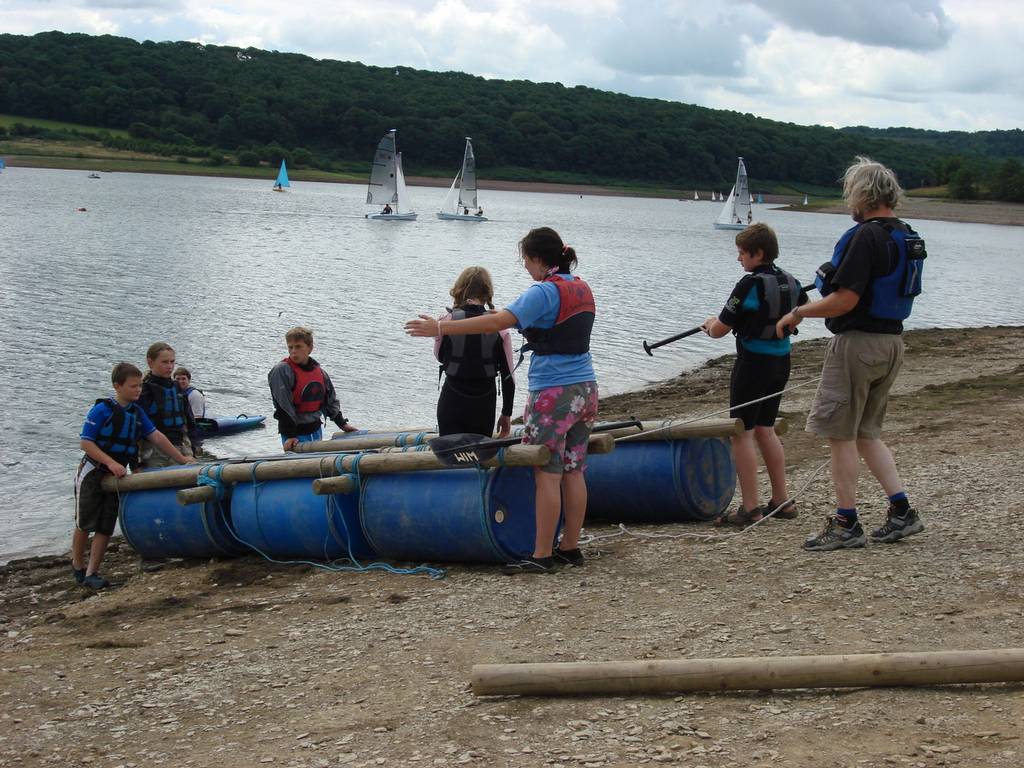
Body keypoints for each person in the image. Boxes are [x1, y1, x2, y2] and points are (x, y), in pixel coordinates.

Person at [407, 227, 598, 574]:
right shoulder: (582, 286)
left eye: (526, 260)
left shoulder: (544, 291)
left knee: (547, 471)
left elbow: (497, 321)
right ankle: (570, 547)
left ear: (539, 259)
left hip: (554, 392)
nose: (525, 267)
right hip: (587, 388)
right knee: (574, 469)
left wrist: (441, 327)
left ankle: (542, 555)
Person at [775, 156, 927, 552]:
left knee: (840, 435)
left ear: (862, 194)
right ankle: (902, 512)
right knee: (865, 433)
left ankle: (846, 523)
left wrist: (798, 312)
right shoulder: (905, 234)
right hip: (892, 343)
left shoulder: (864, 236)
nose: (848, 203)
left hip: (858, 345)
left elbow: (845, 300)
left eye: (850, 194)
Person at [703, 223, 804, 525]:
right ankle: (781, 500)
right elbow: (803, 309)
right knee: (766, 428)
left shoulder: (748, 285)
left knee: (742, 433)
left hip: (753, 365)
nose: (739, 259)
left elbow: (720, 329)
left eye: (742, 254)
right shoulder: (791, 280)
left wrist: (709, 324)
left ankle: (750, 507)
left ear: (757, 254)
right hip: (781, 363)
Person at [74, 362, 190, 589]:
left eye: (139, 386)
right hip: (93, 471)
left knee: (106, 525)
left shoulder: (137, 412)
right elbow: (85, 443)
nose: (138, 390)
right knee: (85, 522)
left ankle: (92, 572)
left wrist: (182, 459)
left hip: (116, 476)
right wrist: (110, 462)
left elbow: (156, 436)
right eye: (133, 386)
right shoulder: (102, 410)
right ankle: (77, 565)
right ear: (117, 386)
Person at [434, 267, 516, 438]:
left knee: (450, 455)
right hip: (483, 403)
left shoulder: (446, 321)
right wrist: (506, 413)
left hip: (452, 399)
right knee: (478, 457)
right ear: (487, 293)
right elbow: (509, 376)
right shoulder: (500, 326)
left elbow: (440, 356)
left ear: (460, 289)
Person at [268, 326, 359, 451]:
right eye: (290, 347)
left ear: (310, 348)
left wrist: (342, 424)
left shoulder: (320, 373)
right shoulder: (281, 371)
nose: (294, 351)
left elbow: (330, 401)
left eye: (298, 346)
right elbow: (283, 406)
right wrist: (290, 435)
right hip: (294, 436)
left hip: (315, 430)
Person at [139, 342, 195, 468]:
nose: (169, 366)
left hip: (182, 444)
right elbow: (139, 426)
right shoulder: (145, 390)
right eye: (164, 362)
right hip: (154, 450)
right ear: (150, 362)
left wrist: (194, 447)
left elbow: (189, 420)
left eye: (172, 362)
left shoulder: (177, 388)